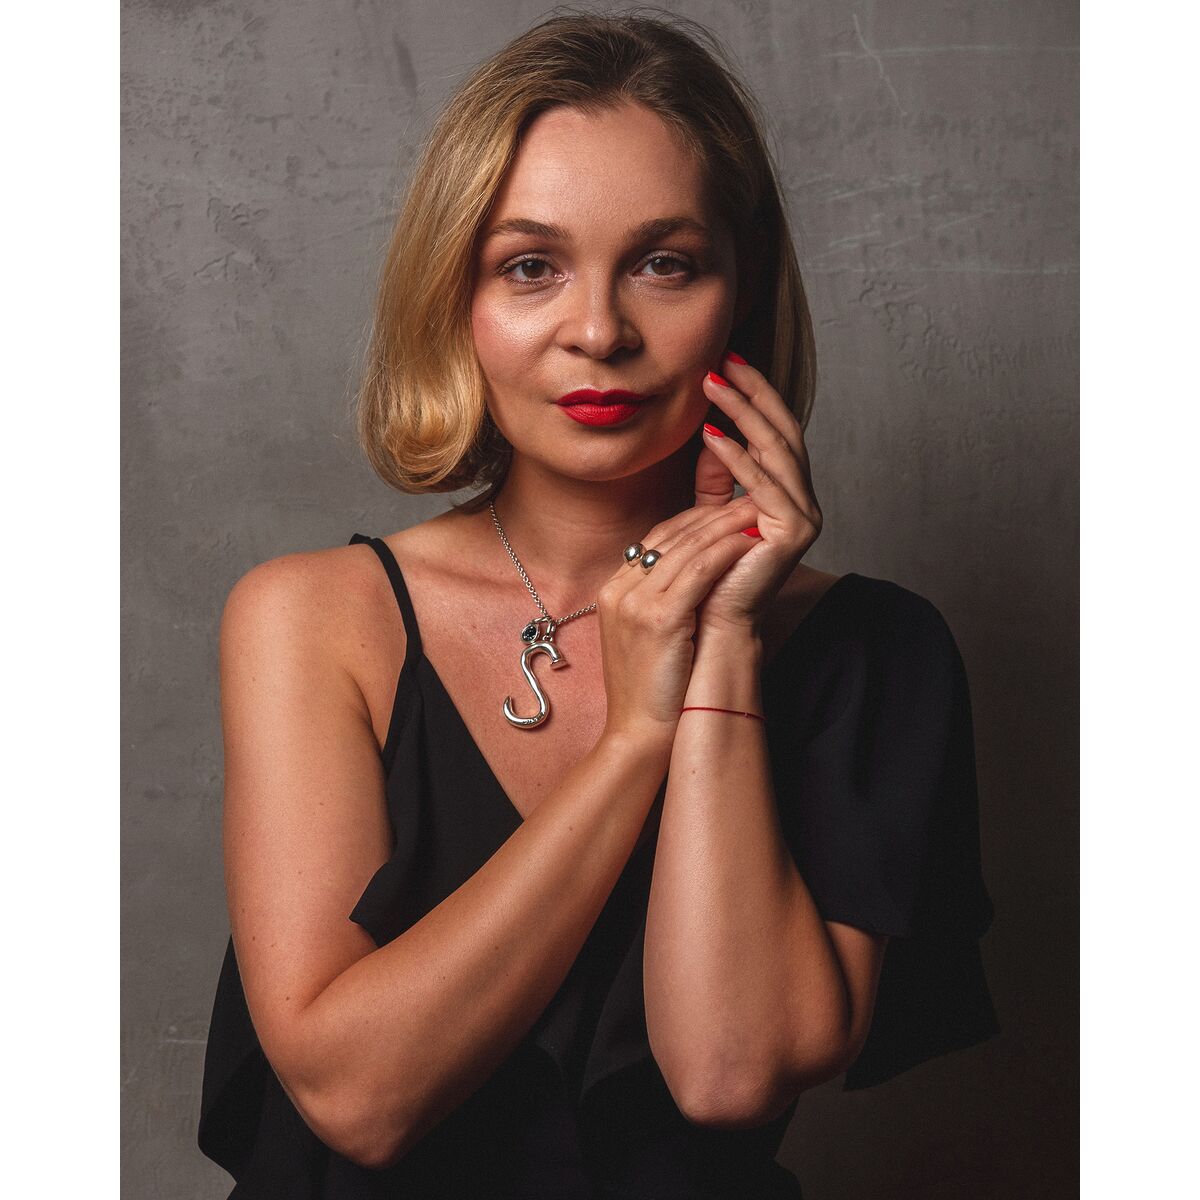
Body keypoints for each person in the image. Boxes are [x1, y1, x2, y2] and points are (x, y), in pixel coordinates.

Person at [197, 11, 999, 1198]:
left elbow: (730, 1072)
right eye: (530, 266)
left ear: (741, 290)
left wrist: (720, 644)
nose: (598, 331)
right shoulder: (312, 619)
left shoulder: (878, 652)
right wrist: (631, 741)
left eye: (664, 263)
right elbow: (358, 1099)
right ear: (456, 297)